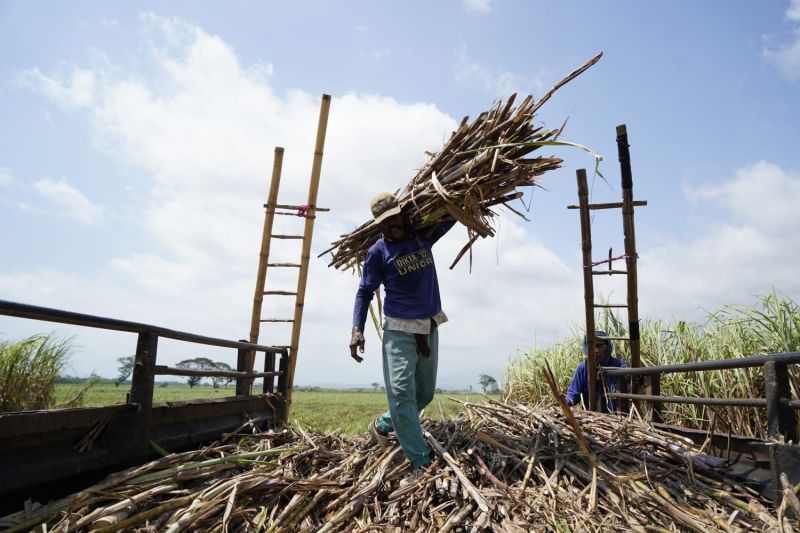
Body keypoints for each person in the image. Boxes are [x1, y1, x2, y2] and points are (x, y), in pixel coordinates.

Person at [349, 192, 455, 475]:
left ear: (403, 213)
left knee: (424, 394)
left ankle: (383, 424)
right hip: (398, 329)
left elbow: (454, 213)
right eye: (383, 222)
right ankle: (421, 461)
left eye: (393, 218)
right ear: (378, 225)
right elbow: (364, 292)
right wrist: (357, 328)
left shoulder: (423, 236)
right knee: (400, 394)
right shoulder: (378, 252)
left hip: (428, 326)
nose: (390, 225)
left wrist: (465, 195)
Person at [565, 330, 629, 412]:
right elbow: (573, 393)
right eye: (592, 346)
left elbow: (630, 375)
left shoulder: (618, 364)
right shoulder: (583, 368)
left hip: (616, 414)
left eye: (599, 346)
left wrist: (631, 376)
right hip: (593, 417)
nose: (595, 350)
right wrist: (567, 402)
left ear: (607, 347)